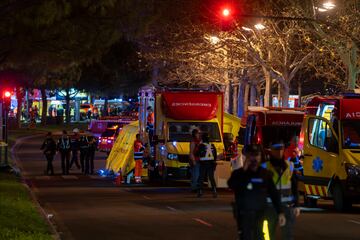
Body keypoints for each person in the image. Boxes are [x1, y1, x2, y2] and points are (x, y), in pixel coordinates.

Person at [228, 144, 286, 240]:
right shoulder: (238, 173)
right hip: (244, 214)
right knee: (246, 237)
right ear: (247, 156)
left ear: (260, 157)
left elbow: (274, 194)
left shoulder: (265, 174)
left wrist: (280, 212)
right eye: (251, 155)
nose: (254, 158)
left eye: (257, 155)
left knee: (260, 237)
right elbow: (232, 185)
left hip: (261, 214)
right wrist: (244, 170)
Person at [264, 143, 300, 240]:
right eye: (276, 149)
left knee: (288, 235)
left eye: (281, 149)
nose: (279, 152)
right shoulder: (264, 167)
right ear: (271, 150)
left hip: (287, 206)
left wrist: (296, 204)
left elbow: (294, 186)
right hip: (269, 207)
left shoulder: (290, 165)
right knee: (268, 235)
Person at [197, 133, 217, 198]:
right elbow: (215, 155)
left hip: (203, 163)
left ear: (203, 139)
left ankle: (200, 191)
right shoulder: (212, 145)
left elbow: (197, 153)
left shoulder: (201, 145)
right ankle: (214, 190)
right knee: (211, 177)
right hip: (211, 163)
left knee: (201, 177)